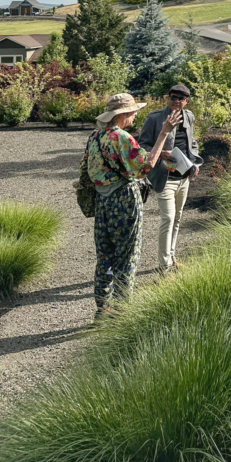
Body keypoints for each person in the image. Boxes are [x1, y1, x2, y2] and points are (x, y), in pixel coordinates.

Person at [85, 93, 181, 319]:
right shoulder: (122, 137)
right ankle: (121, 311)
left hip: (103, 200)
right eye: (134, 111)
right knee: (127, 255)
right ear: (123, 115)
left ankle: (102, 307)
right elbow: (144, 167)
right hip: (124, 199)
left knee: (105, 254)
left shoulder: (95, 136)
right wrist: (164, 133)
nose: (136, 114)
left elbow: (89, 170)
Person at [136, 84, 200, 273]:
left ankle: (171, 256)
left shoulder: (188, 116)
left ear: (186, 101)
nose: (176, 101)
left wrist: (195, 163)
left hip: (183, 177)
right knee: (168, 218)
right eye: (173, 97)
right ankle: (164, 267)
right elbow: (141, 146)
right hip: (164, 178)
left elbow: (192, 143)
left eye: (181, 98)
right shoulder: (155, 118)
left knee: (178, 218)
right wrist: (159, 154)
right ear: (168, 98)